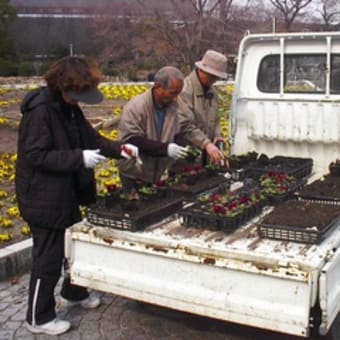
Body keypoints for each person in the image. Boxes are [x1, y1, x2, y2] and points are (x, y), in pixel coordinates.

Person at [15, 55, 139, 336]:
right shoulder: (41, 111)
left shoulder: (69, 108)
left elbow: (91, 140)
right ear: (64, 86)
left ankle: (74, 293)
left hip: (65, 192)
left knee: (73, 248)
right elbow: (35, 156)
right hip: (42, 197)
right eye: (79, 94)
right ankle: (38, 317)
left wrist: (120, 149)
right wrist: (78, 158)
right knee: (48, 257)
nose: (81, 100)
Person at [117, 66, 189, 192]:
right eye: (173, 93)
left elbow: (176, 132)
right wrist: (166, 149)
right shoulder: (136, 107)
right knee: (135, 207)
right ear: (158, 87)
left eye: (178, 93)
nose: (175, 98)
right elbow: (132, 140)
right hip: (135, 172)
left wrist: (182, 145)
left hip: (155, 171)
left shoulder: (172, 107)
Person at [177, 49, 228, 165]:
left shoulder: (212, 92)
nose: (215, 81)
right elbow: (185, 125)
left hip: (204, 156)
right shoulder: (184, 91)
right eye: (213, 77)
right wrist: (206, 144)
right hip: (186, 157)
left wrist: (217, 136)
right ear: (202, 70)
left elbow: (215, 119)